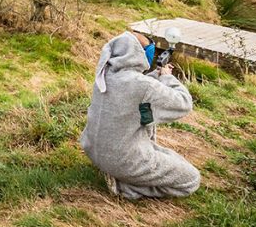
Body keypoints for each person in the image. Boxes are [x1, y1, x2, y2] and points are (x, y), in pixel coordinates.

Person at [80, 30, 200, 200]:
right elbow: (183, 103)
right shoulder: (141, 85)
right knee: (191, 179)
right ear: (139, 54)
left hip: (94, 151)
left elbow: (136, 88)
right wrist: (167, 78)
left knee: (170, 157)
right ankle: (125, 187)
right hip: (122, 160)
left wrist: (156, 76)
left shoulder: (104, 74)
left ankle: (120, 174)